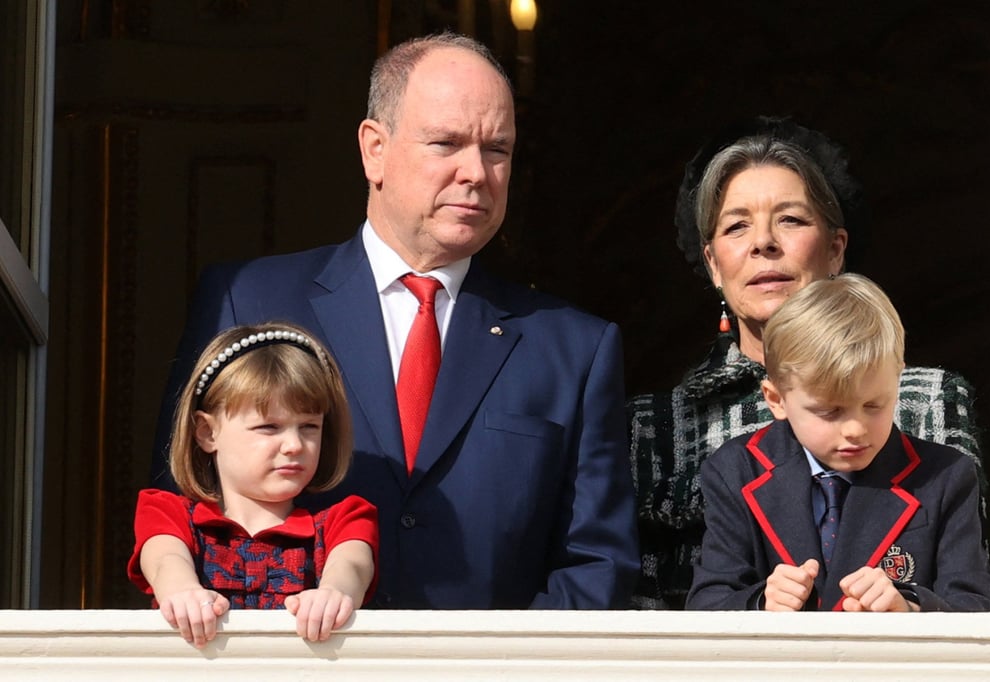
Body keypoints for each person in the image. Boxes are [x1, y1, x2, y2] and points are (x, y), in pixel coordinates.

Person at [150, 32, 639, 609]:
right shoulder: (248, 299)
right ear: (374, 149)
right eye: (445, 143)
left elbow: (597, 566)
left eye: (498, 149)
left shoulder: (574, 347)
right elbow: (177, 509)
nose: (476, 172)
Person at [629, 117, 983, 609]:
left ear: (837, 248)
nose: (763, 243)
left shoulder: (927, 398)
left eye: (791, 220)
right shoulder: (655, 425)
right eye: (737, 226)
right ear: (713, 263)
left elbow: (967, 589)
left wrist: (912, 609)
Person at [685, 274, 990, 611]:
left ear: (898, 381)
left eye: (874, 406)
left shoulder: (946, 476)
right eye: (829, 411)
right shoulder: (735, 470)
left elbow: (976, 606)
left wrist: (910, 609)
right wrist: (762, 602)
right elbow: (707, 602)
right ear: (776, 399)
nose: (854, 429)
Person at [129, 322, 379, 647]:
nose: (294, 444)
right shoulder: (167, 513)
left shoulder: (344, 521)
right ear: (207, 433)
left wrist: (334, 594)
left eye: (308, 426)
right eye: (269, 427)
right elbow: (165, 561)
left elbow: (352, 566)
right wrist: (182, 591)